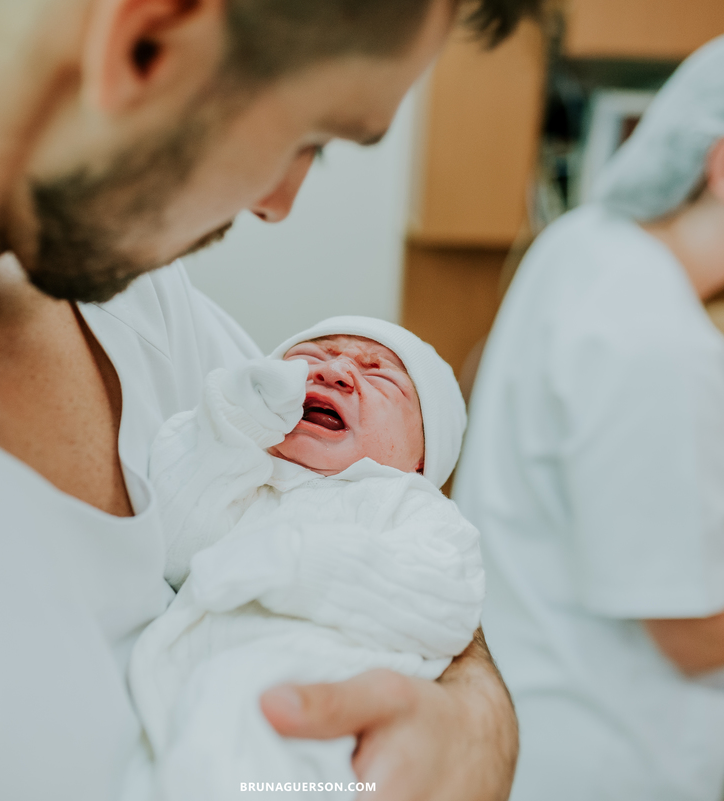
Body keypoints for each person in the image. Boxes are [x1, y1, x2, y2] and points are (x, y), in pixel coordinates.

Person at [0, 0, 538, 797]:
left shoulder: (129, 294)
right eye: (311, 139)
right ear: (145, 41)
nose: (277, 205)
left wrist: (473, 727)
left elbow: (362, 501)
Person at [452, 26, 724, 801]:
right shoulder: (662, 350)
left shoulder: (584, 243)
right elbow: (692, 637)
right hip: (599, 760)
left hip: (523, 700)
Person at [130, 318, 480, 799]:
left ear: (422, 456)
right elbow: (168, 545)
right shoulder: (245, 477)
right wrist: (234, 424)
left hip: (321, 715)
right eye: (310, 357)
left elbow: (444, 600)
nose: (334, 372)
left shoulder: (413, 508)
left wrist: (293, 561)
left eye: (380, 374)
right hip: (178, 697)